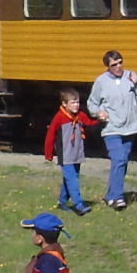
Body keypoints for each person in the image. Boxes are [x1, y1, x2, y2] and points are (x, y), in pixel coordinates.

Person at [87, 51, 137, 210]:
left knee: (122, 161)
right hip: (111, 127)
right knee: (119, 159)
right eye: (114, 65)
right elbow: (92, 103)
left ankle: (110, 195)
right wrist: (97, 113)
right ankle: (118, 197)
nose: (118, 67)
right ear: (107, 67)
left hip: (130, 128)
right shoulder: (100, 81)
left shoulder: (130, 76)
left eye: (120, 62)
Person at [43, 87, 105, 216]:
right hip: (65, 155)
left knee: (71, 178)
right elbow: (50, 135)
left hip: (77, 153)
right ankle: (78, 205)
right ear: (64, 104)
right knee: (72, 180)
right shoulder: (59, 118)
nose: (76, 105)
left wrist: (100, 121)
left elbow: (90, 125)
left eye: (77, 102)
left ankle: (62, 202)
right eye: (73, 103)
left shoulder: (80, 115)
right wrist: (48, 153)